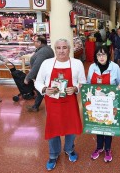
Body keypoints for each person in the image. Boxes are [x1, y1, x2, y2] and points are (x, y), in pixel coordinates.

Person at [34, 38, 86, 171]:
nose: (61, 51)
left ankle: (69, 149)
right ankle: (53, 154)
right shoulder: (47, 63)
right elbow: (38, 82)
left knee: (71, 127)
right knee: (53, 128)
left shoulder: (77, 63)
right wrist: (45, 89)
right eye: (58, 48)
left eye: (64, 47)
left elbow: (83, 82)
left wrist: (75, 88)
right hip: (52, 102)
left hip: (70, 102)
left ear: (69, 49)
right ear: (54, 49)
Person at [87, 45, 120, 162]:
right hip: (96, 105)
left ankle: (107, 148)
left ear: (108, 55)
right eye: (99, 54)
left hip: (110, 104)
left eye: (104, 54)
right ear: (95, 56)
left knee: (108, 126)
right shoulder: (92, 67)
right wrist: (84, 87)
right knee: (98, 125)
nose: (101, 57)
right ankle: (99, 147)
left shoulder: (115, 67)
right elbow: (88, 83)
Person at [24, 35, 54, 112]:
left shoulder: (43, 52)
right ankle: (35, 106)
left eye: (35, 41)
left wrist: (28, 77)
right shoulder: (45, 49)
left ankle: (37, 107)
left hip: (42, 75)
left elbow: (37, 66)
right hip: (44, 74)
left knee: (40, 90)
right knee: (40, 91)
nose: (34, 43)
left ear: (39, 42)